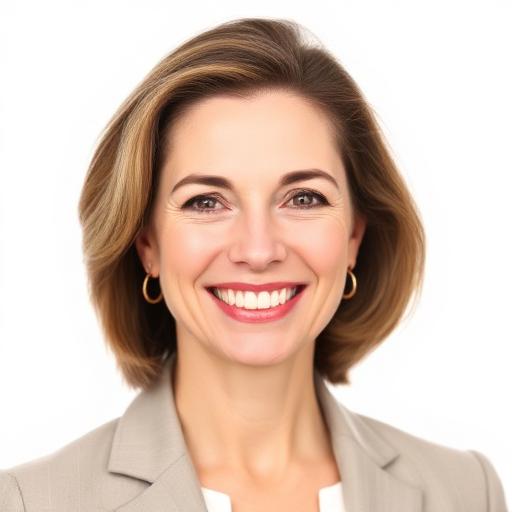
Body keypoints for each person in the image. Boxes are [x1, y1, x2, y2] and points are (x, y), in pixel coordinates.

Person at [0, 16, 508, 512]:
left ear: (354, 236)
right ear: (147, 244)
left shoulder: (466, 492)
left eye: (304, 198)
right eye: (206, 202)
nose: (259, 250)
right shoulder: (31, 502)